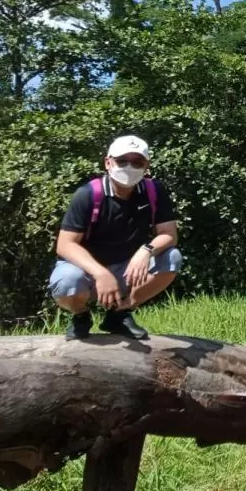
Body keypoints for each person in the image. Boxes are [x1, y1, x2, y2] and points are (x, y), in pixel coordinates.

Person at [50, 135, 181, 341]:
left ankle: (120, 313)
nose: (129, 167)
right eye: (122, 161)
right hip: (86, 271)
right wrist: (101, 274)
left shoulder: (154, 191)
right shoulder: (87, 194)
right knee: (68, 282)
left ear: (146, 166)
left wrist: (146, 251)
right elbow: (65, 245)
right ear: (108, 162)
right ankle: (81, 315)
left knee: (172, 258)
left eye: (137, 162)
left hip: (126, 268)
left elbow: (169, 235)